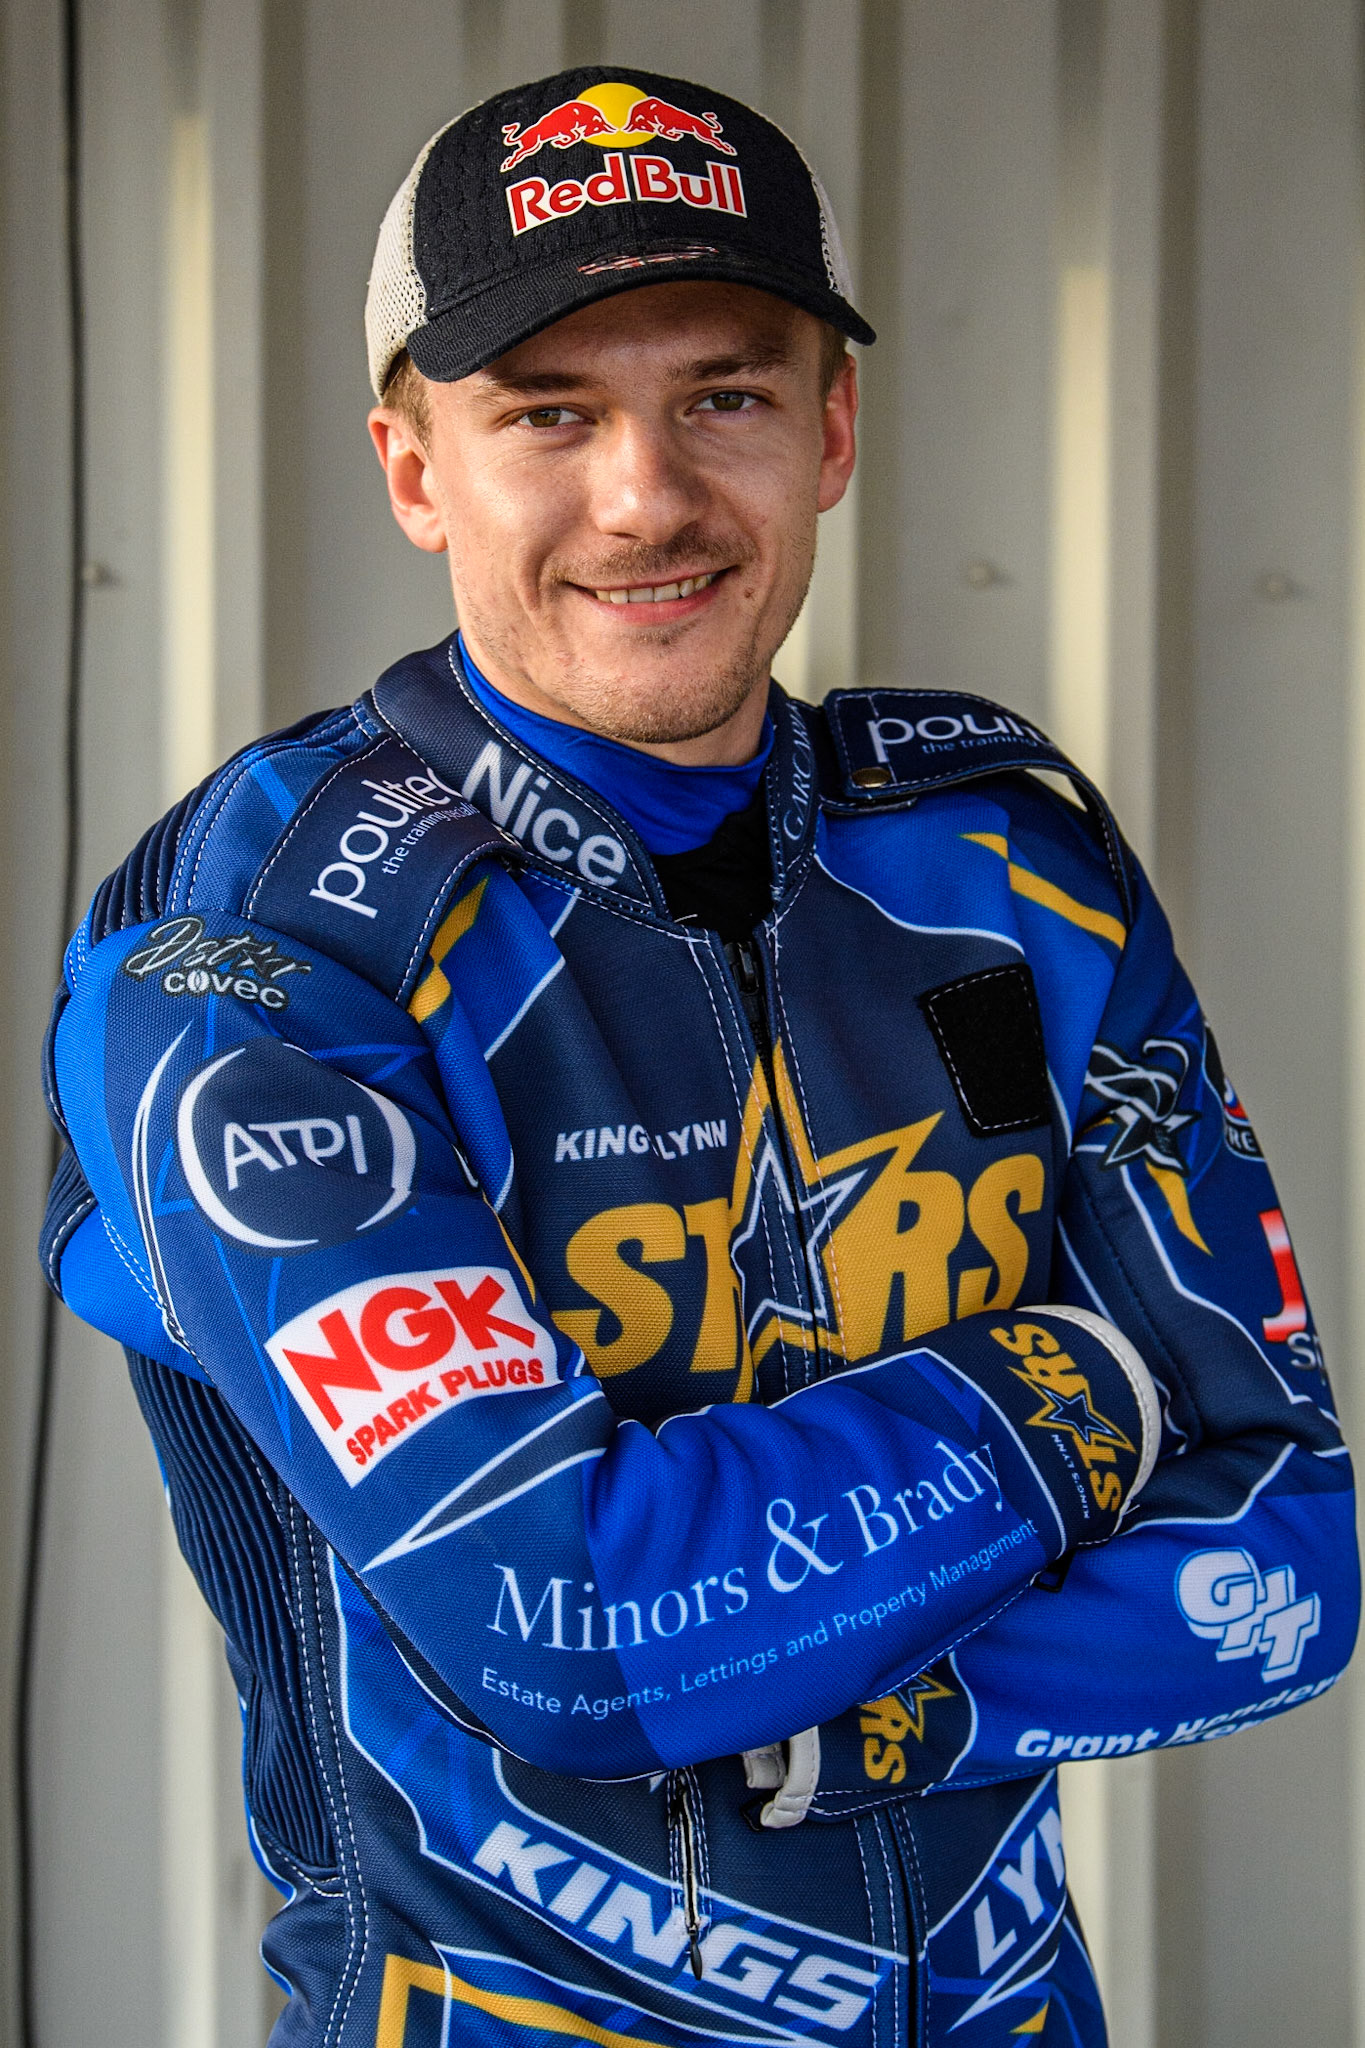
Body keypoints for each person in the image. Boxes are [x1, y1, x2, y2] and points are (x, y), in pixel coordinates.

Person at [41, 65, 1357, 2048]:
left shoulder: (1005, 853)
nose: (643, 495)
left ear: (828, 431)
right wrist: (1074, 1384)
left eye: (719, 395)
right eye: (547, 414)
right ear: (415, 470)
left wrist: (865, 1708)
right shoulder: (255, 941)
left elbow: (1286, 1548)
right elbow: (576, 1626)